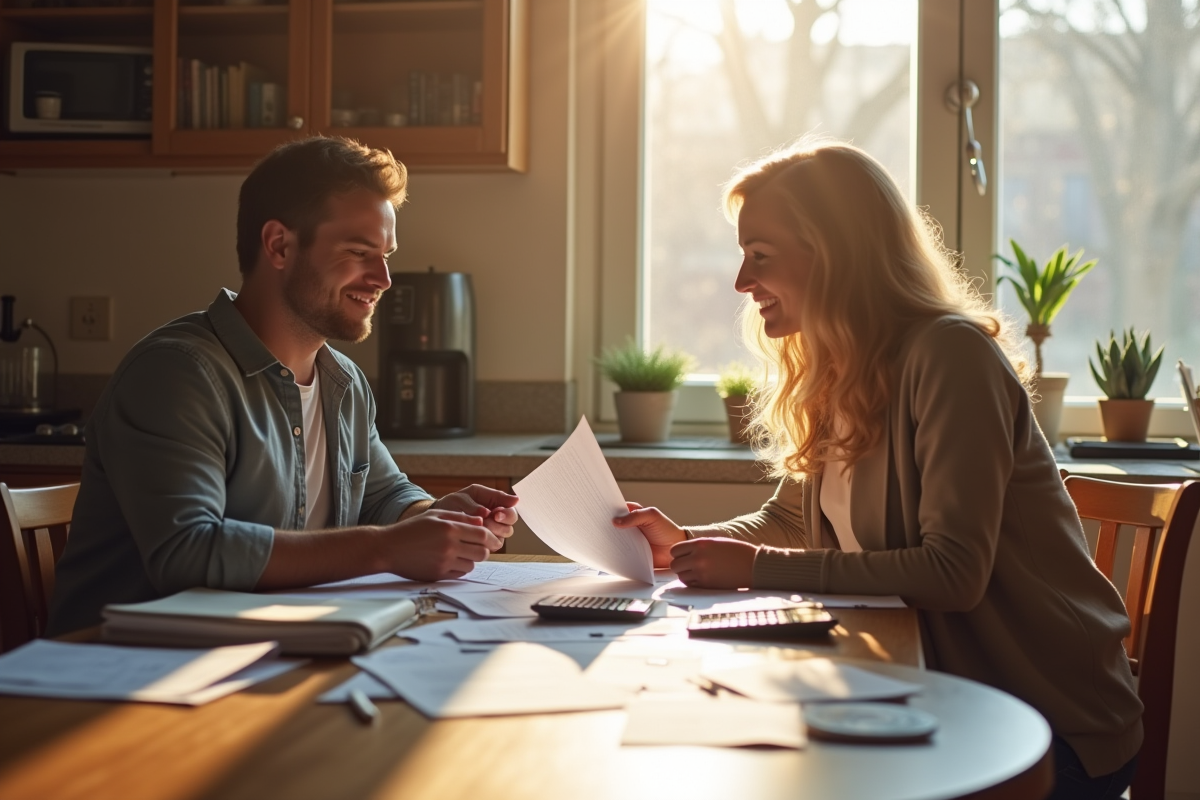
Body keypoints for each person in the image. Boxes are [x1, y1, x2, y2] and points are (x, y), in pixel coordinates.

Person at [613, 141, 1141, 799]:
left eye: (760, 256)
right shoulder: (842, 367)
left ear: (834, 254)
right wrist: (686, 539)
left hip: (1044, 726)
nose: (742, 284)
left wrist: (752, 569)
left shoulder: (951, 357)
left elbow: (953, 573)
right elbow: (787, 519)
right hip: (937, 690)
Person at [48, 136, 518, 635]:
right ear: (279, 245)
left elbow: (384, 497)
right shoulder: (177, 373)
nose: (383, 278)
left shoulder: (343, 382)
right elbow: (187, 552)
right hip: (124, 673)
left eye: (386, 255)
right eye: (360, 252)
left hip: (269, 650)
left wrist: (439, 518)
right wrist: (387, 547)